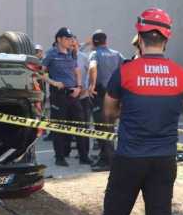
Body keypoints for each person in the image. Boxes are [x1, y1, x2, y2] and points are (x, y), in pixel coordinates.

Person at [96, 8, 183, 215]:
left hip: (129, 158)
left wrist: (126, 110)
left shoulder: (124, 72)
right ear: (166, 38)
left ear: (139, 36)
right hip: (164, 160)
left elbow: (108, 114)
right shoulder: (180, 75)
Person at [41, 27, 88, 167]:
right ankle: (60, 157)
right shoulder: (50, 54)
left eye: (70, 38)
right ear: (59, 39)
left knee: (80, 125)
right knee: (59, 127)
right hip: (59, 95)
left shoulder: (71, 53)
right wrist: (53, 82)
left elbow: (77, 70)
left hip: (73, 93)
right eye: (67, 39)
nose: (70, 41)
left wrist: (79, 87)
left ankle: (84, 156)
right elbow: (40, 73)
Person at [88, 30, 124, 171]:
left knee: (102, 128)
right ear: (105, 41)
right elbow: (126, 68)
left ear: (94, 42)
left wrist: (91, 85)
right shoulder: (116, 54)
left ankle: (108, 161)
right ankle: (107, 156)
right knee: (110, 127)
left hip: (101, 95)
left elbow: (92, 67)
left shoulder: (95, 53)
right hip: (115, 96)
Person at [71, 36, 93, 164]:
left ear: (78, 45)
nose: (72, 47)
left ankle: (84, 155)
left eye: (74, 45)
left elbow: (90, 73)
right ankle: (66, 153)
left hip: (83, 96)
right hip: (70, 97)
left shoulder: (83, 57)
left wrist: (84, 87)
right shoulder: (65, 58)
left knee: (84, 126)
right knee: (72, 127)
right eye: (70, 45)